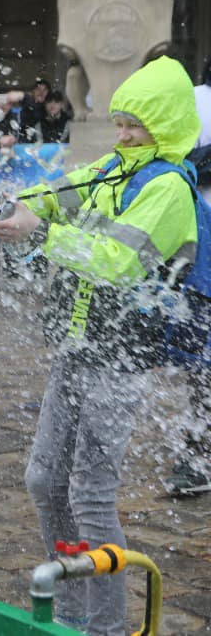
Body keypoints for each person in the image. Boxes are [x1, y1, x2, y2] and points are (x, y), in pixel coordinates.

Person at [0, 55, 199, 634]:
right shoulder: (117, 165)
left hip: (121, 359)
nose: (123, 134)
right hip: (78, 348)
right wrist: (24, 205)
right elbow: (62, 191)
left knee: (91, 496)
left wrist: (44, 233)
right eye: (120, 122)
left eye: (135, 125)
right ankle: (72, 608)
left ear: (167, 126)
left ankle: (106, 627)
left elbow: (119, 264)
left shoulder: (168, 188)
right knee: (43, 480)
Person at [166, 53, 211, 497]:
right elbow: (164, 154)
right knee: (202, 364)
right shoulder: (194, 100)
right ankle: (198, 456)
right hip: (201, 247)